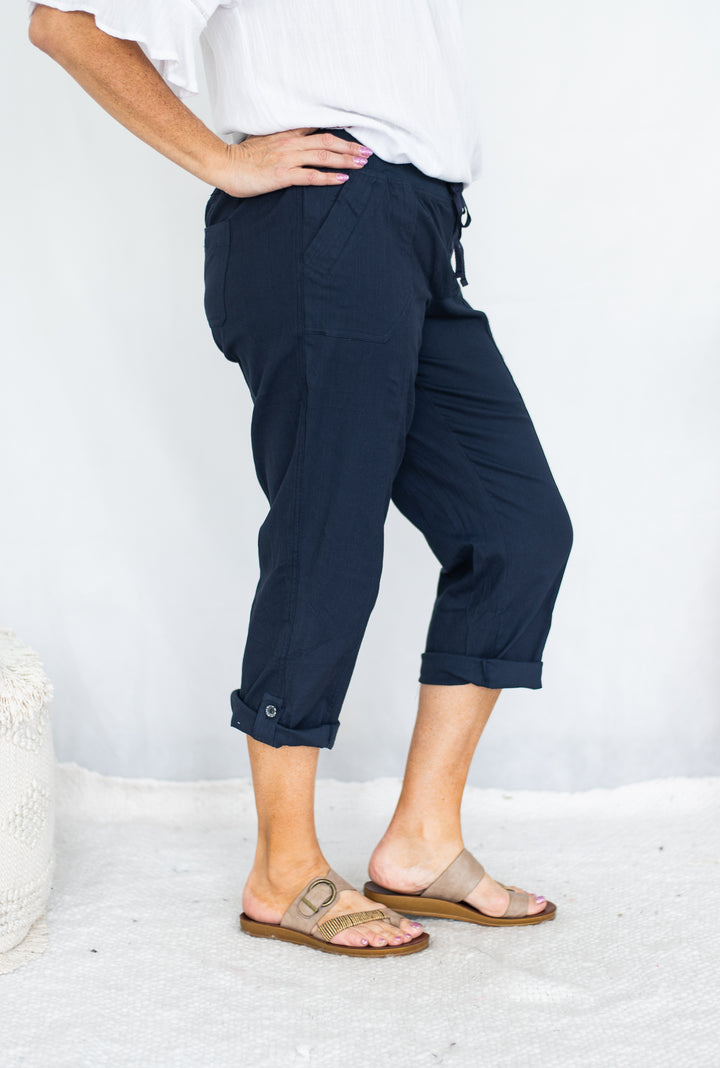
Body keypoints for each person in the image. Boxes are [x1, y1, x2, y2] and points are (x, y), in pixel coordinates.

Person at [28, 0, 573, 958]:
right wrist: (221, 160)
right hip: (322, 218)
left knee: (517, 529)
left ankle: (420, 843)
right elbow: (66, 21)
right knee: (328, 537)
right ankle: (284, 869)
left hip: (419, 232)